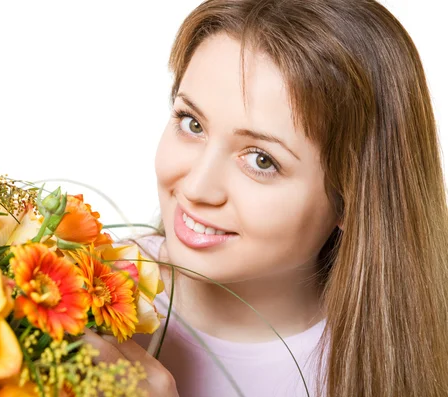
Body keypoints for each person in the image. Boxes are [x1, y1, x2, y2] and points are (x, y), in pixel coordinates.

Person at [83, 0, 448, 396]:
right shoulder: (74, 289)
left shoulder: (397, 371)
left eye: (261, 159)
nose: (196, 188)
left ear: (351, 200)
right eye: (192, 123)